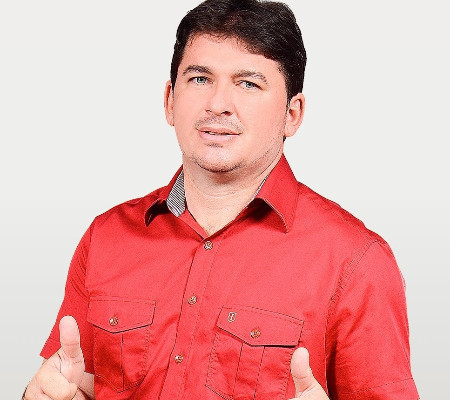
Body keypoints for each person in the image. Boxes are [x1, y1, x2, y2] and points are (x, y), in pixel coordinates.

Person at [23, 0, 419, 399]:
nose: (217, 104)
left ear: (292, 114)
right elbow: (74, 384)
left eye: (248, 84)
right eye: (199, 79)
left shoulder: (356, 261)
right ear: (169, 100)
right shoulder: (106, 237)